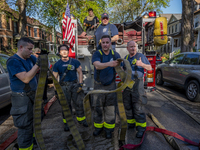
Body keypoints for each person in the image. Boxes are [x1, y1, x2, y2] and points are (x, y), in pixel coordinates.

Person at [6, 37, 40, 150]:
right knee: (25, 125)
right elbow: (25, 78)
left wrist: (43, 58)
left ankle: (33, 143)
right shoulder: (13, 61)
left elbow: (43, 67)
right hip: (21, 98)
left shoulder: (29, 58)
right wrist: (37, 64)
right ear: (21, 47)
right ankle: (25, 147)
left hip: (31, 94)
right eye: (29, 49)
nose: (32, 52)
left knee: (34, 121)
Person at [53, 44, 88, 131]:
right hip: (64, 87)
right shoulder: (57, 64)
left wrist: (80, 84)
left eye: (65, 50)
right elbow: (55, 78)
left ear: (68, 51)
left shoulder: (75, 62)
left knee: (79, 104)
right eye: (62, 50)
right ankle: (67, 123)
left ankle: (82, 120)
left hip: (75, 85)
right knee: (66, 106)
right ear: (59, 52)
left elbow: (80, 72)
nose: (64, 51)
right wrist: (56, 91)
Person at [92, 35, 121, 139]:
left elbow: (123, 67)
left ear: (110, 43)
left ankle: (109, 130)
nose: (105, 44)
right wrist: (110, 64)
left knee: (110, 109)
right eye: (103, 42)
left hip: (111, 86)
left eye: (107, 42)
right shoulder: (97, 53)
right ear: (101, 43)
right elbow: (97, 65)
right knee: (98, 108)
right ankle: (98, 128)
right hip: (98, 85)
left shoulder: (115, 54)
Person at [122, 40, 152, 138]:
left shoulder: (140, 56)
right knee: (128, 105)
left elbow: (150, 68)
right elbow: (122, 69)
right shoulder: (126, 58)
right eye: (131, 47)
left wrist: (141, 64)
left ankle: (141, 129)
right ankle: (131, 124)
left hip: (137, 84)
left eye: (134, 46)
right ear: (127, 48)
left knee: (138, 107)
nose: (133, 48)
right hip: (127, 84)